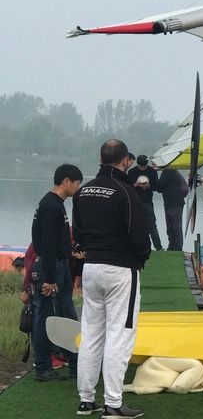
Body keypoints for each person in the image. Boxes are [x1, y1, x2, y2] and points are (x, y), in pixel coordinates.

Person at [73, 139, 150, 418]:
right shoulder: (126, 192)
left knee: (91, 333)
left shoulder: (83, 191)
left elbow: (78, 233)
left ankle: (86, 400)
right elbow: (139, 235)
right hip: (120, 270)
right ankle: (113, 404)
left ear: (100, 158)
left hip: (91, 267)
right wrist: (141, 259)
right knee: (120, 335)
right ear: (126, 160)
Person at [30, 163, 83, 381]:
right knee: (46, 317)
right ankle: (43, 366)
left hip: (61, 264)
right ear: (66, 181)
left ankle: (75, 362)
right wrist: (50, 278)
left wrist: (71, 252)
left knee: (67, 314)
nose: (78, 188)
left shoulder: (56, 204)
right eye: (77, 183)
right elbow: (47, 244)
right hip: (51, 267)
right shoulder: (51, 205)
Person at [128, 155, 163, 251]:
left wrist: (148, 186)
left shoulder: (152, 171)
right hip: (135, 202)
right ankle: (137, 246)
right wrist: (135, 185)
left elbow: (156, 187)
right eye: (141, 166)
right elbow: (128, 187)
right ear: (138, 164)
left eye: (144, 166)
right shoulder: (132, 172)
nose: (143, 168)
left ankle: (158, 247)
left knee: (152, 226)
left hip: (147, 201)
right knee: (136, 225)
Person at [155, 169, 188, 251]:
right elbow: (159, 188)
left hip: (174, 203)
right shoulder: (172, 172)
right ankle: (172, 246)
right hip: (171, 203)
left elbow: (159, 186)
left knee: (175, 226)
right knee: (171, 226)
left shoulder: (169, 171)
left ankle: (177, 247)